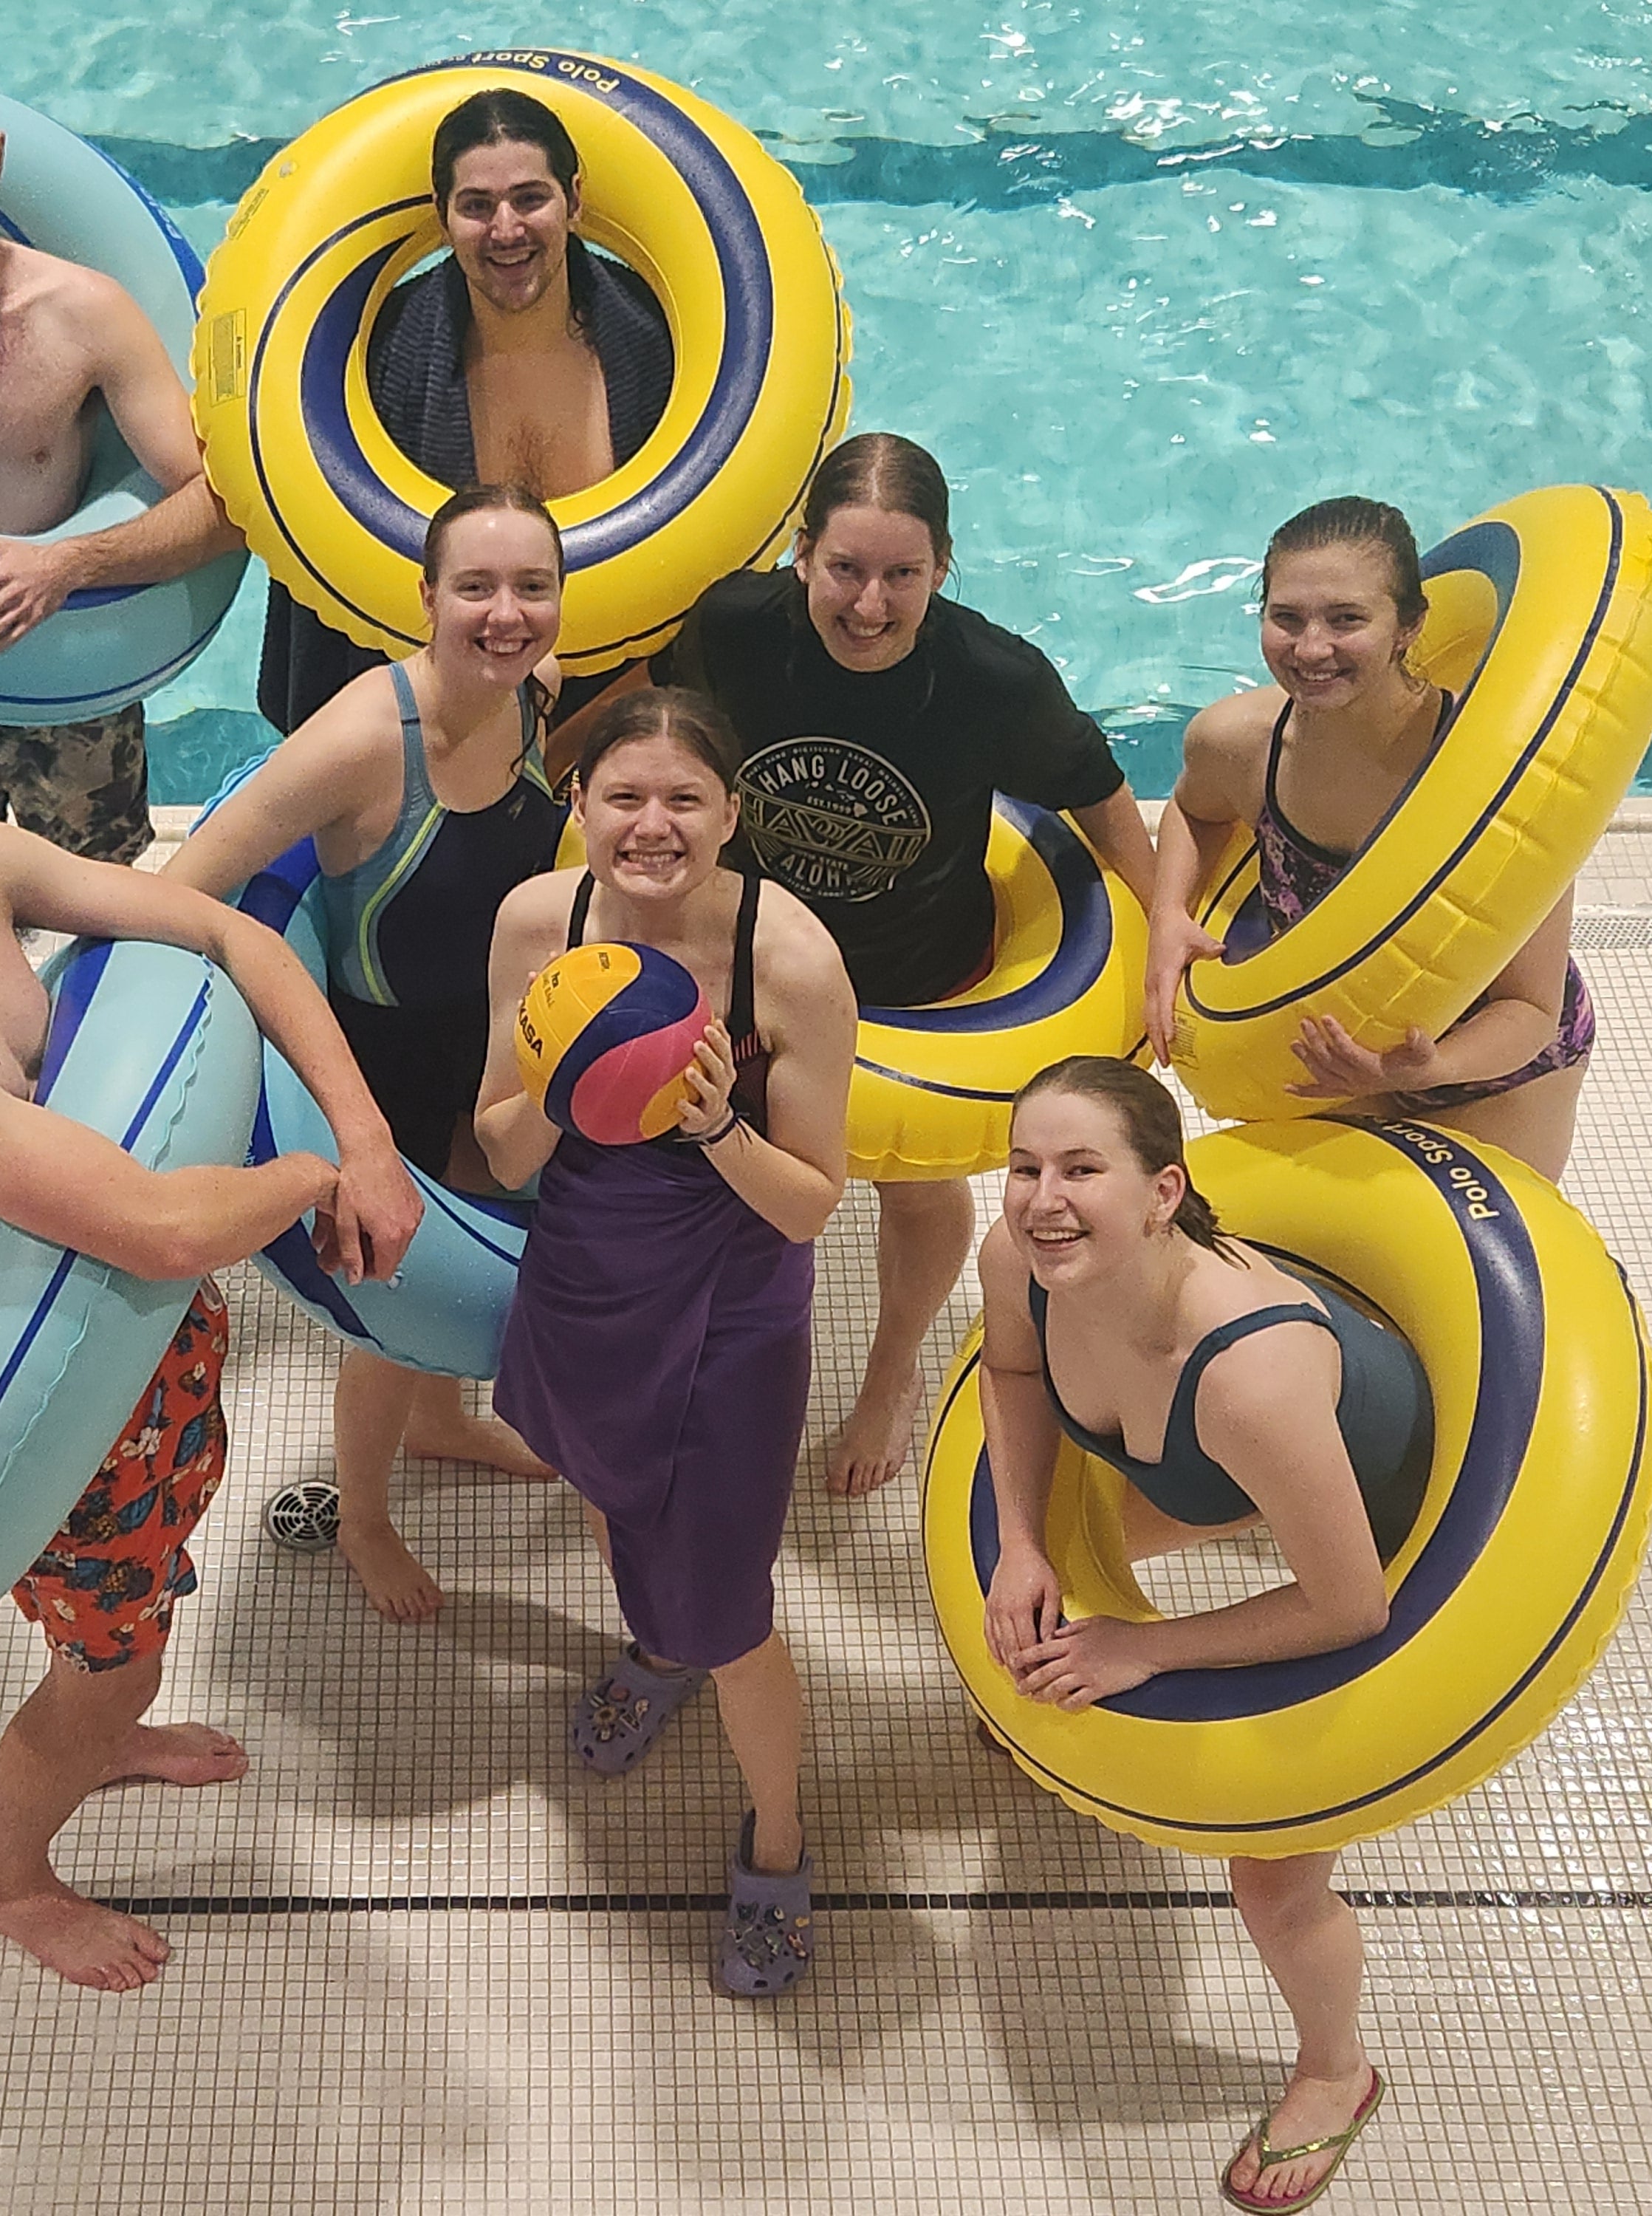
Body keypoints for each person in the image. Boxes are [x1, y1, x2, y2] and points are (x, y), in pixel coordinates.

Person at [0, 660, 421, 1991]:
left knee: (148, 1595)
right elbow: (157, 1231)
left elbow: (230, 937)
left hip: (145, 1350)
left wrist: (368, 1138)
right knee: (111, 1665)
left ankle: (109, 1721)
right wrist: (307, 1179)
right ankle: (18, 1878)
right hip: (58, 1412)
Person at [643, 431, 1160, 1494]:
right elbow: (656, 728)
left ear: (942, 567)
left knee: (915, 1186)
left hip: (919, 975)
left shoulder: (992, 679)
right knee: (703, 1155)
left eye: (903, 575)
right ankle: (696, 1342)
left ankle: (891, 1375)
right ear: (801, 555)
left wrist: (1163, 943)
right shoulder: (736, 627)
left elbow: (1102, 797)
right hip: (755, 953)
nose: (869, 605)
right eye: (844, 568)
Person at [979, 1056, 1427, 2210]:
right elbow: (1015, 1374)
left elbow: (1352, 1605)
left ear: (1164, 1192)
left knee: (1273, 1886)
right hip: (1210, 1470)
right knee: (1061, 1601)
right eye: (1025, 1167)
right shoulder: (1017, 1265)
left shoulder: (1249, 1376)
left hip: (1387, 1523)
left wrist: (1147, 1646)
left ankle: (1337, 2072)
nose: (1042, 1200)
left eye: (1082, 1169)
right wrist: (1023, 1546)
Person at [476, 688, 857, 1997]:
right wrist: (565, 1076)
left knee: (732, 1610)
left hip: (730, 1305)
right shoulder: (540, 923)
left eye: (684, 799)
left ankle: (780, 1839)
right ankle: (653, 1649)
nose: (652, 826)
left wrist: (715, 1125)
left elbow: (811, 1204)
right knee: (600, 1479)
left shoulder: (787, 959)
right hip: (587, 1270)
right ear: (577, 805)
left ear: (731, 815)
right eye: (622, 797)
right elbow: (502, 1149)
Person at [166, 485, 570, 1624]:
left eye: (532, 586)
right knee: (402, 1306)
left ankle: (442, 1424)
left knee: (490, 1232)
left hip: (490, 1039)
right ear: (427, 597)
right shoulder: (361, 739)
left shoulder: (535, 688)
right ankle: (363, 1517)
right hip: (381, 1052)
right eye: (476, 587)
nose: (506, 613)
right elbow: (188, 891)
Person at [0, 48, 244, 864]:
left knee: (100, 899)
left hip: (67, 668)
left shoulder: (82, 315)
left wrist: (68, 566)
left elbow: (223, 505)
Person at [1142, 496, 1593, 1180]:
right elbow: (1193, 809)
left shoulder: (1496, 780)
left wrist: (1429, 1068)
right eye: (1286, 618)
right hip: (1334, 1051)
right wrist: (1169, 913)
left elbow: (1529, 1008)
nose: (1311, 648)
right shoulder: (1240, 743)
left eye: (1346, 619)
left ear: (1410, 625)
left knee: (1475, 1236)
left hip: (1492, 1066)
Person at [257, 86, 677, 737]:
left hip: (623, 706)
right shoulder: (374, 358)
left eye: (530, 199)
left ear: (574, 200)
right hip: (435, 718)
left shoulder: (661, 340)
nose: (506, 231)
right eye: (477, 206)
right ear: (442, 215)